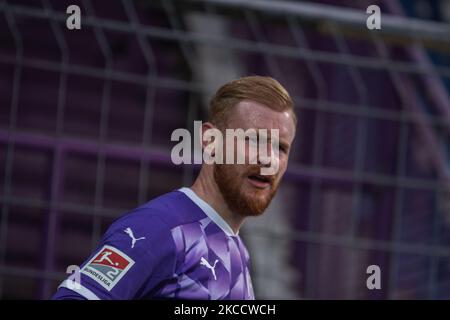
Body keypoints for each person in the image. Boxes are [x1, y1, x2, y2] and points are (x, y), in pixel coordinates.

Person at [52, 75, 297, 300]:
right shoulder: (158, 228)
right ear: (210, 141)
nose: (269, 160)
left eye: (281, 148)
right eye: (254, 139)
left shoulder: (237, 251)